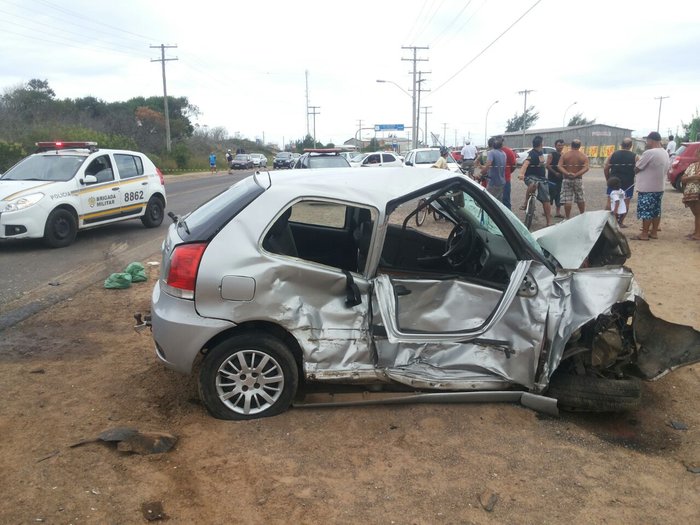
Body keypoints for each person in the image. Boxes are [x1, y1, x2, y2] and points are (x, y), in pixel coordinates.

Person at [633, 131, 670, 241]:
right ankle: (654, 232)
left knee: (646, 211)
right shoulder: (664, 152)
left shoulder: (649, 153)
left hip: (647, 187)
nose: (646, 142)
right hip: (659, 187)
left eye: (647, 140)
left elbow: (637, 168)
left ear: (651, 140)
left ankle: (644, 234)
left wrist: (637, 162)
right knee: (656, 210)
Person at [519, 135, 552, 226]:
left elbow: (541, 163)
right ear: (541, 143)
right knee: (533, 184)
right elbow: (525, 164)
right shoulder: (532, 154)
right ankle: (526, 203)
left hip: (542, 178)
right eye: (543, 142)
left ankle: (548, 221)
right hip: (531, 176)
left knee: (546, 199)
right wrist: (521, 174)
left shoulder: (540, 153)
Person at [604, 137, 637, 227]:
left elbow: (606, 167)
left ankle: (608, 222)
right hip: (628, 184)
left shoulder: (613, 154)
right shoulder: (635, 156)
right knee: (625, 202)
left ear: (621, 145)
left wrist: (608, 180)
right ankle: (620, 222)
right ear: (631, 146)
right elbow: (638, 169)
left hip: (613, 182)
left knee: (610, 201)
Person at [558, 139, 589, 219]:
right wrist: (576, 174)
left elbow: (559, 166)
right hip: (578, 179)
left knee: (567, 199)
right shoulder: (583, 156)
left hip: (566, 179)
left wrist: (567, 173)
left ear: (571, 145)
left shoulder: (565, 155)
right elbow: (586, 168)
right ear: (579, 146)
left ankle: (568, 217)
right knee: (580, 197)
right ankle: (583, 216)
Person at [680, 146, 700, 240]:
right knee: (696, 214)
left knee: (698, 214)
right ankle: (696, 232)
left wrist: (691, 178)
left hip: (697, 193)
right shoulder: (692, 165)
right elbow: (683, 179)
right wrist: (694, 177)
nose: (696, 154)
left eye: (697, 153)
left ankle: (697, 234)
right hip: (690, 194)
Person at [546, 139, 565, 218]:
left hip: (560, 179)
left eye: (562, 145)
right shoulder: (551, 154)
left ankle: (558, 212)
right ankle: (547, 212)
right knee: (550, 196)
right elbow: (547, 165)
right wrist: (555, 173)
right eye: (559, 145)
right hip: (551, 179)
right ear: (555, 146)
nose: (560, 147)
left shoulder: (564, 155)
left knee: (559, 196)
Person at [501, 137, 516, 210]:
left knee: (505, 199)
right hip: (504, 178)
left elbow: (513, 165)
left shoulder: (508, 151)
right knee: (505, 199)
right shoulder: (508, 151)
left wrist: (509, 172)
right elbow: (514, 165)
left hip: (505, 179)